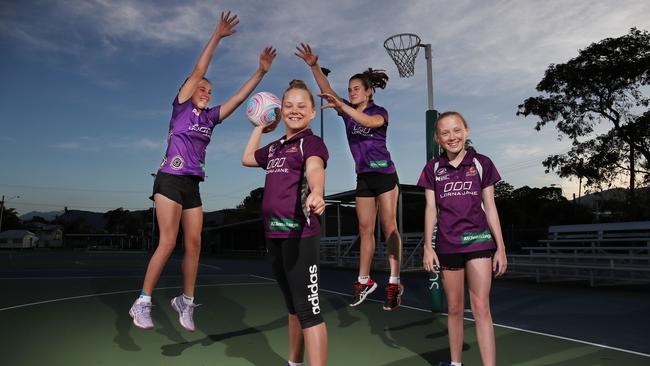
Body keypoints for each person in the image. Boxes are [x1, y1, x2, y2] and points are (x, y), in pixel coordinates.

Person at [129, 11, 277, 331]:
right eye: (202, 89)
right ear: (190, 89)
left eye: (209, 92)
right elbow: (199, 70)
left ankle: (186, 301)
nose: (206, 93)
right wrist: (217, 37)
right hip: (169, 179)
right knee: (168, 241)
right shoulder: (181, 107)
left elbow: (238, 99)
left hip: (192, 185)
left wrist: (260, 72)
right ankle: (142, 301)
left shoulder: (209, 118)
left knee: (194, 244)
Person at [295, 43, 404, 311]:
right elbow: (329, 92)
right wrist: (314, 66)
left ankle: (394, 281)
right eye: (350, 89)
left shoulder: (379, 112)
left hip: (385, 175)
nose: (351, 92)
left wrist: (342, 108)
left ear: (369, 92)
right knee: (365, 229)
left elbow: (367, 123)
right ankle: (364, 281)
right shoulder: (347, 112)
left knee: (389, 226)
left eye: (356, 89)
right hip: (364, 177)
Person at [242, 80, 329, 366]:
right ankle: (294, 362)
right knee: (293, 308)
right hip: (274, 235)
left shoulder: (311, 143)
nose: (294, 110)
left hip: (300, 235)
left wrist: (317, 192)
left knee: (309, 312)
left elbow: (315, 168)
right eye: (288, 105)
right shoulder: (276, 147)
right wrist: (259, 125)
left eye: (301, 105)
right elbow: (246, 159)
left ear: (312, 112)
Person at [417, 111, 507, 366]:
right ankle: (455, 363)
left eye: (456, 130)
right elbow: (431, 209)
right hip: (447, 245)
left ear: (466, 130)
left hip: (479, 242)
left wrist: (500, 247)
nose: (452, 137)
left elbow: (490, 207)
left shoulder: (482, 163)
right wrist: (427, 247)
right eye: (445, 132)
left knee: (480, 308)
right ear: (437, 138)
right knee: (455, 308)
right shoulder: (432, 168)